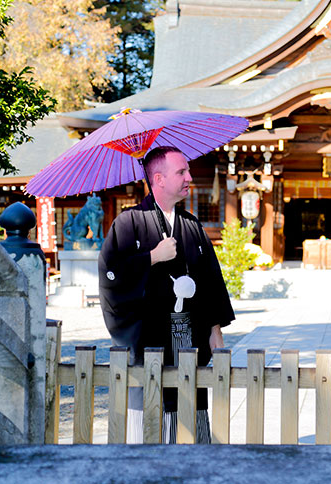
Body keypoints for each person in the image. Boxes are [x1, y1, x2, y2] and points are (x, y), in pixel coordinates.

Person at [98, 146, 234, 444]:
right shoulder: (128, 222)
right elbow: (111, 275)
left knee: (190, 403)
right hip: (149, 335)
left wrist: (215, 329)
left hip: (188, 334)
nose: (189, 178)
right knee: (151, 412)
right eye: (181, 172)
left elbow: (211, 281)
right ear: (158, 179)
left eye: (187, 171)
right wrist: (151, 257)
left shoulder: (192, 225)